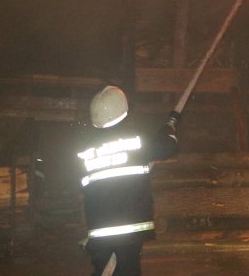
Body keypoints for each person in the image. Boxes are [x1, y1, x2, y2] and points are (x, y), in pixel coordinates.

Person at [76, 85, 179, 276]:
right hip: (128, 231)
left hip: (99, 232)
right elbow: (167, 147)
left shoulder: (84, 150)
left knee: (105, 271)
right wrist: (168, 129)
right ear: (123, 109)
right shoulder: (136, 139)